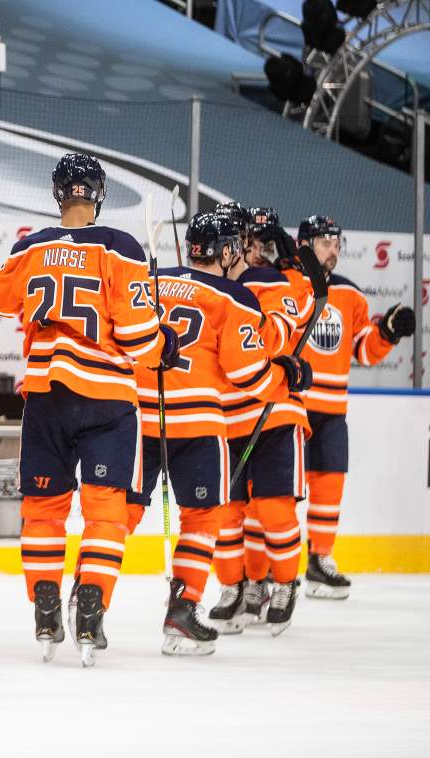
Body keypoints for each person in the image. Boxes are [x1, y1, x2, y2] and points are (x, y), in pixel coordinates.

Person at [0, 153, 177, 666]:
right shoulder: (120, 247)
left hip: (47, 398)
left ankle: (44, 607)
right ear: (98, 194)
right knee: (104, 514)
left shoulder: (31, 248)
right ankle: (91, 609)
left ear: (58, 193)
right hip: (106, 398)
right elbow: (136, 332)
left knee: (42, 512)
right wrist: (163, 344)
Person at [128, 212, 308, 656]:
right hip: (207, 419)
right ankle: (194, 604)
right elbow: (256, 358)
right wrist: (286, 377)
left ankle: (86, 592)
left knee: (115, 514)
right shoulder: (235, 293)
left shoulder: (150, 282)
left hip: (140, 418)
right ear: (228, 250)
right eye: (239, 242)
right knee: (211, 516)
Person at [295, 215, 414, 598]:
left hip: (332, 410)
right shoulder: (289, 287)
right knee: (275, 492)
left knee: (330, 485)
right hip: (291, 406)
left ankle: (319, 559)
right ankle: (263, 571)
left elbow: (363, 350)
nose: (334, 250)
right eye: (325, 242)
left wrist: (387, 333)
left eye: (337, 243)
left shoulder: (351, 295)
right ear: (305, 244)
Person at [209, 212, 316, 636]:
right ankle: (236, 588)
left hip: (274, 411)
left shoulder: (270, 280)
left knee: (273, 509)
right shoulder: (217, 286)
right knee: (227, 514)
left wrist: (292, 265)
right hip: (226, 417)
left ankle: (285, 583)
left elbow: (303, 307)